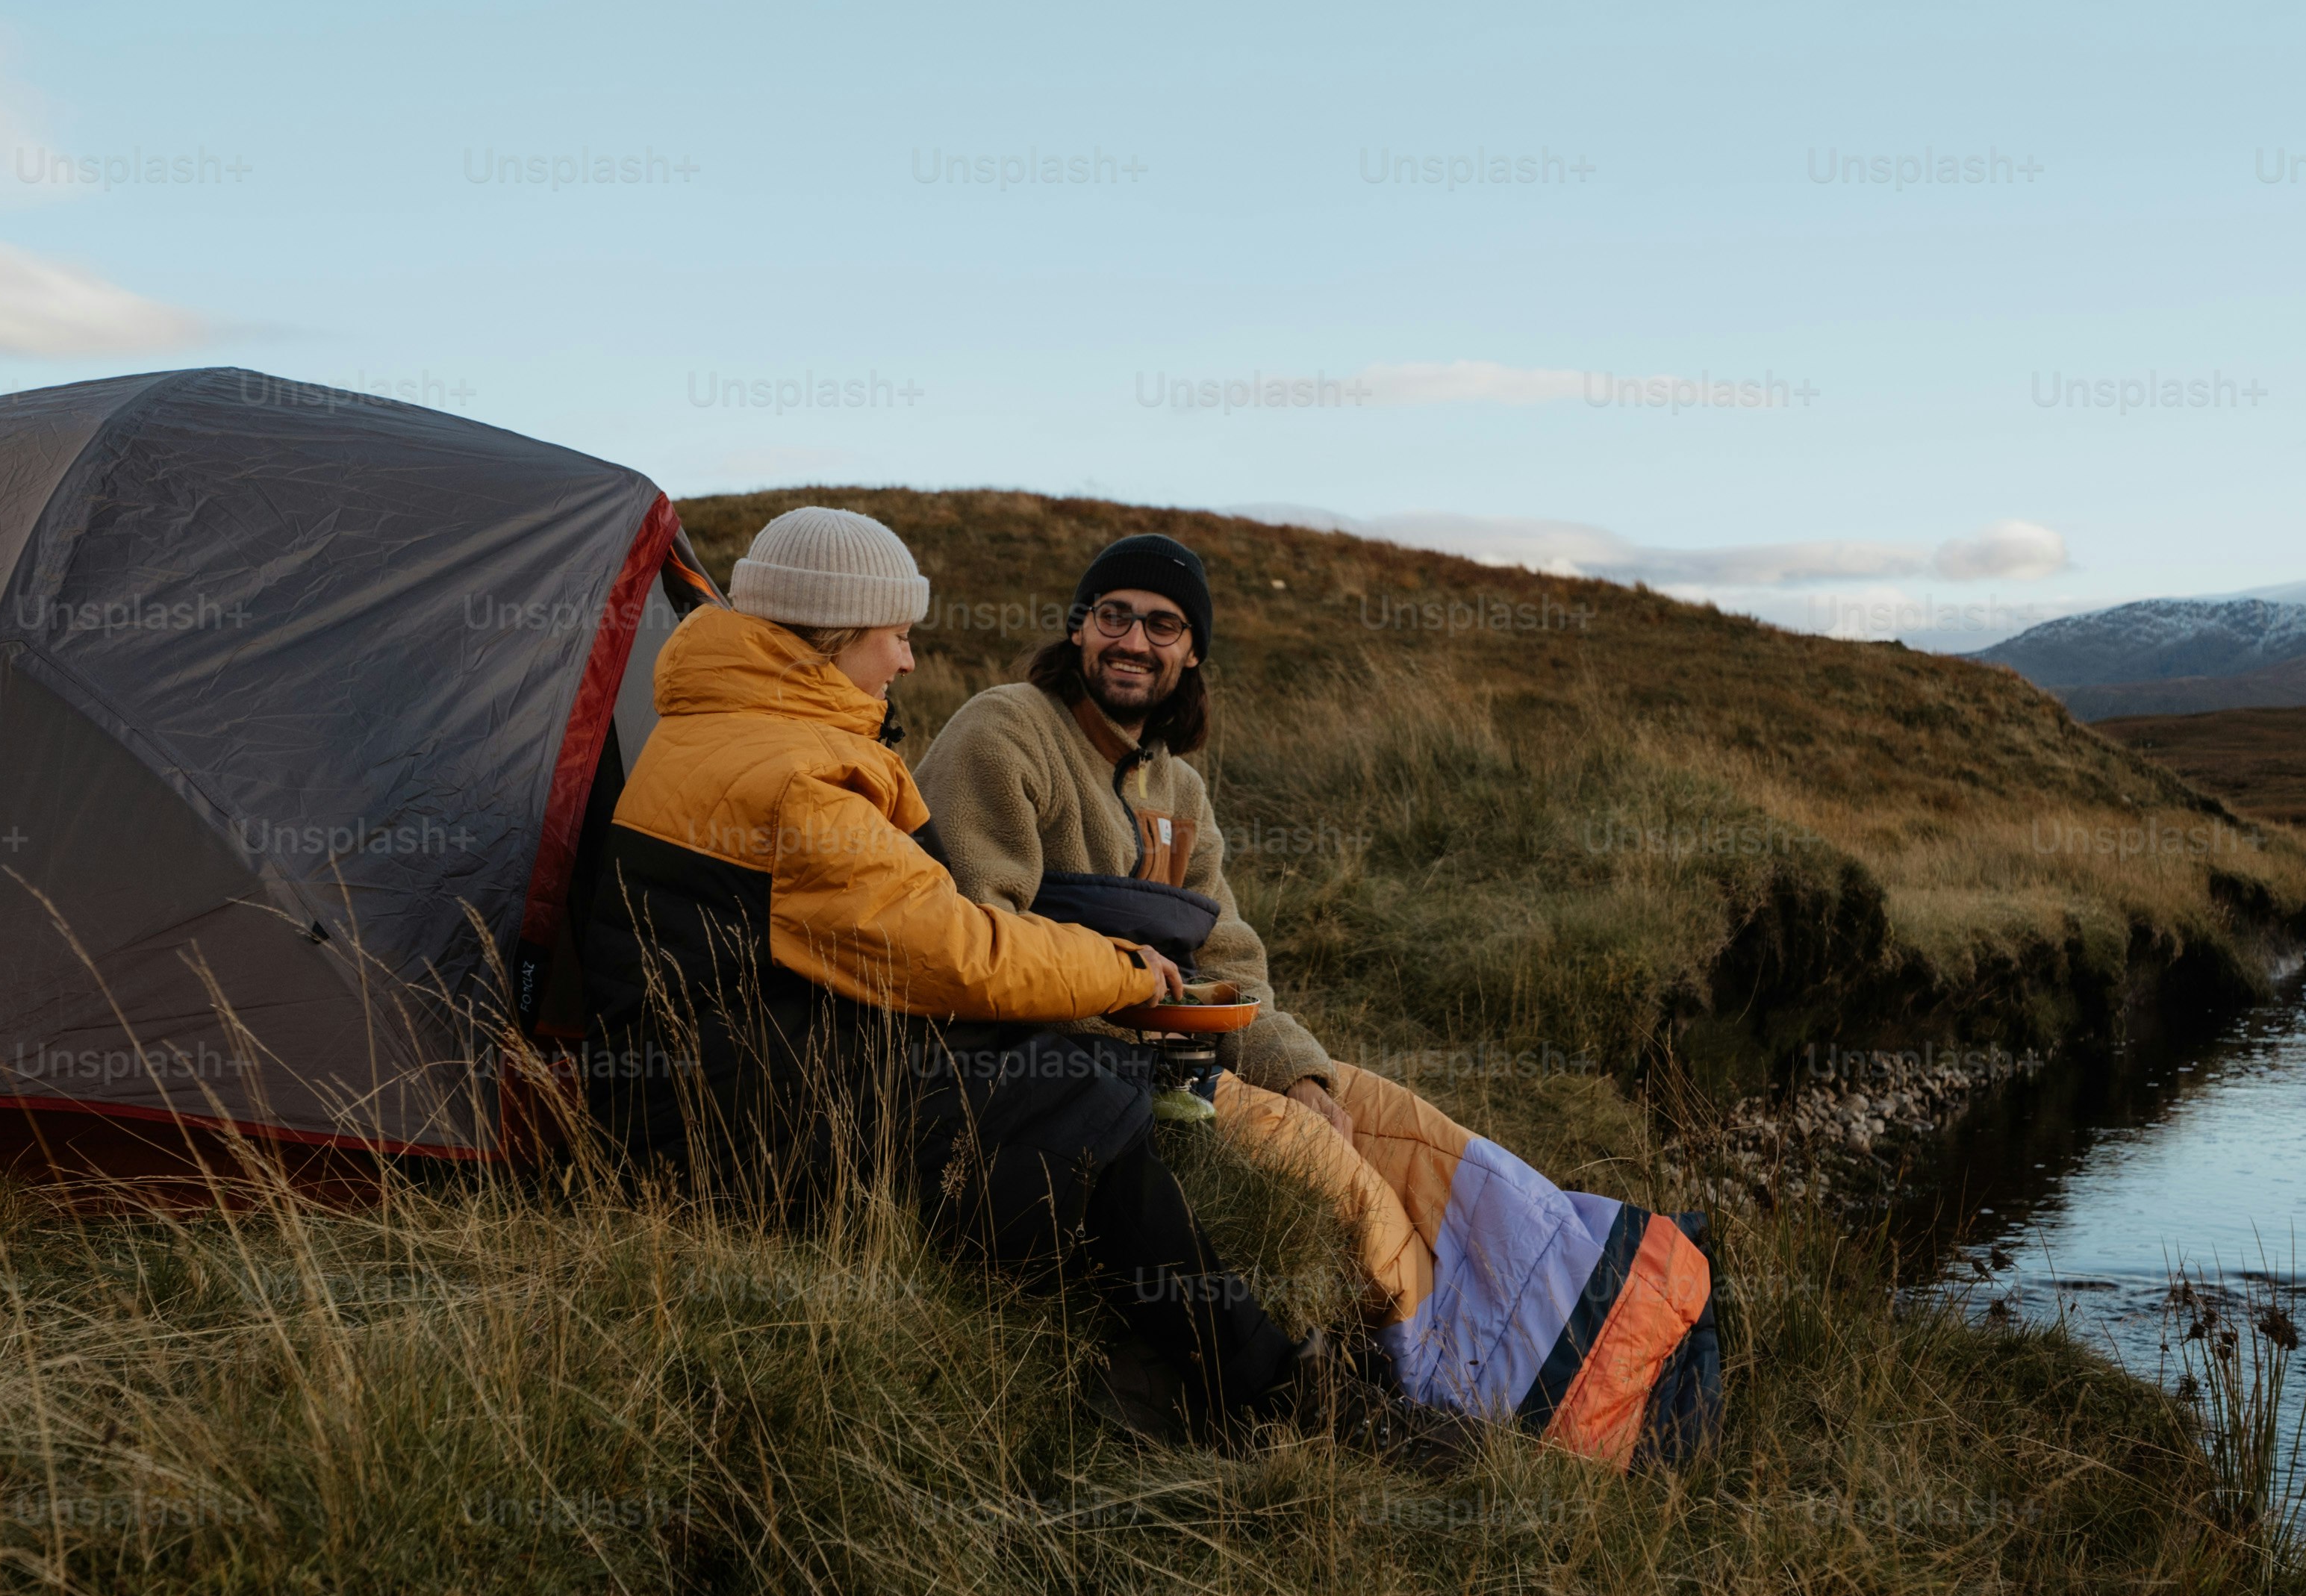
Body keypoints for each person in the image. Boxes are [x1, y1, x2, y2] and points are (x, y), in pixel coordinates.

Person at [917, 532, 1719, 1465]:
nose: (1133, 640)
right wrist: (1117, 974)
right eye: (1113, 616)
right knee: (1343, 1183)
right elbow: (972, 933)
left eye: (1163, 624)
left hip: (1184, 1052)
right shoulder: (1004, 729)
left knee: (1401, 1128)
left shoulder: (1178, 785)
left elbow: (1228, 958)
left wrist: (1296, 1069)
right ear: (1079, 630)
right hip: (1070, 1069)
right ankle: (1454, 1398)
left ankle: (1605, 1324)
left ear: (1193, 654)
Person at [576, 505, 1300, 1432]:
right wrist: (1126, 970)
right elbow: (957, 953)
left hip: (729, 1064)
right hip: (721, 1121)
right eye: (898, 635)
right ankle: (1259, 1386)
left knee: (1059, 1076)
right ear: (833, 634)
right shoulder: (799, 776)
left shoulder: (737, 722)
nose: (909, 660)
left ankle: (1167, 1349)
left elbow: (910, 940)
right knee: (1075, 1092)